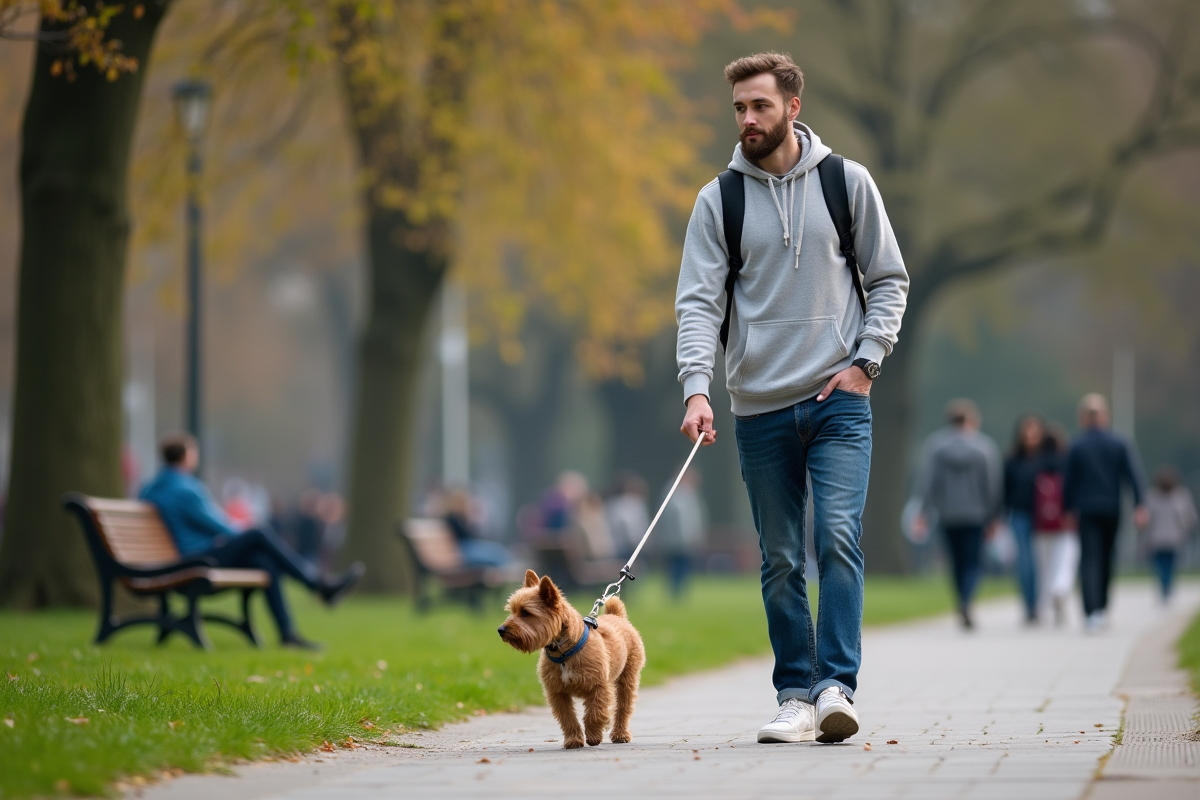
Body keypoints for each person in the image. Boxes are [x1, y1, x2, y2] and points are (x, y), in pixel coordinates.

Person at [676, 52, 908, 744]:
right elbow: (697, 302)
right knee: (779, 556)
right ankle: (795, 694)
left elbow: (889, 280)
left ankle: (836, 686)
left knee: (837, 536)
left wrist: (867, 363)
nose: (748, 119)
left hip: (839, 397)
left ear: (793, 107)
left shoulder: (847, 182)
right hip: (759, 407)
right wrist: (697, 389)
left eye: (760, 106)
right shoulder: (721, 199)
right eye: (740, 108)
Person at [139, 433, 364, 649]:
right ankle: (318, 585)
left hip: (181, 559)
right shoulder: (186, 489)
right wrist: (245, 533)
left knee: (263, 561)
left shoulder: (151, 488)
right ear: (186, 456)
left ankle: (289, 634)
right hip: (195, 561)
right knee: (258, 533)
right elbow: (219, 526)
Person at [913, 400, 1002, 631]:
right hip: (976, 514)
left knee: (955, 561)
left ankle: (961, 599)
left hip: (948, 513)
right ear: (971, 420)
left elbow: (928, 481)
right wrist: (994, 516)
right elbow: (991, 484)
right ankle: (967, 600)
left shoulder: (936, 446)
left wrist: (923, 510)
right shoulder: (984, 447)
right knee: (973, 561)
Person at [1063, 393, 1148, 634]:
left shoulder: (1077, 445)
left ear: (1083, 418)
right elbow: (1133, 476)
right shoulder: (1119, 442)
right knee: (1106, 557)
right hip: (1111, 508)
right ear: (1105, 416)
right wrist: (1140, 505)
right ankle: (1101, 606)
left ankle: (1091, 612)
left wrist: (1068, 509)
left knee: (1089, 558)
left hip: (1086, 509)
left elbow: (1069, 482)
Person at [1003, 415, 1047, 624]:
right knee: (1025, 562)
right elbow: (1004, 490)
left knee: (1043, 562)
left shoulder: (1048, 459)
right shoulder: (1012, 460)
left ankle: (1042, 602)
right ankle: (1030, 605)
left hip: (1045, 518)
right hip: (1020, 514)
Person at [1033, 424, 1077, 627]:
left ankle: (1044, 606)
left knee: (1044, 567)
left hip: (1041, 524)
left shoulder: (1036, 463)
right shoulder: (1067, 462)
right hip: (1064, 522)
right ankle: (1060, 589)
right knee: (1066, 561)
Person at [1140, 467, 1197, 604]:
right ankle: (1165, 587)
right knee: (1162, 565)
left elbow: (1188, 517)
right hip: (1160, 540)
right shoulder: (1153, 497)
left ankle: (1166, 587)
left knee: (1168, 565)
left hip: (1172, 539)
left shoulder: (1180, 495)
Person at [654, 470, 708, 600]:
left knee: (681, 567)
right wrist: (688, 537)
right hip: (678, 540)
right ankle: (675, 594)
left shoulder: (686, 492)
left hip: (681, 539)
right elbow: (681, 520)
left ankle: (678, 593)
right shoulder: (676, 493)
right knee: (677, 567)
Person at [442, 487, 513, 568]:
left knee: (496, 551)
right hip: (463, 549)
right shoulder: (452, 518)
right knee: (494, 553)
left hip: (466, 546)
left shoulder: (459, 517)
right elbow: (463, 535)